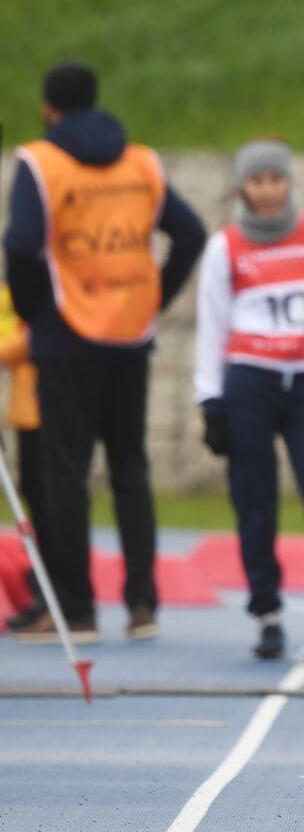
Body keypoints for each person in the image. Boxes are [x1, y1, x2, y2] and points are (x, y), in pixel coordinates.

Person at [4, 62, 206, 643]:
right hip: (130, 334)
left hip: (66, 334)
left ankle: (76, 612)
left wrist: (35, 312)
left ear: (49, 109)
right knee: (129, 468)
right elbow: (190, 234)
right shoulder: (140, 161)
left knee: (65, 472)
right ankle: (143, 606)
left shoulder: (41, 164)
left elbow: (20, 245)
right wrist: (153, 297)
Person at [193, 139, 304, 661]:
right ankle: (268, 612)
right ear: (243, 188)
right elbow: (212, 327)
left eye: (277, 179)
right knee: (255, 503)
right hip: (250, 381)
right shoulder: (225, 246)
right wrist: (210, 400)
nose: (269, 190)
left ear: (289, 181)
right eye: (258, 181)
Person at [0, 287, 47, 631]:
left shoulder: (43, 294)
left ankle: (45, 591)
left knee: (43, 499)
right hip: (30, 409)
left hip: (42, 410)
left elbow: (26, 340)